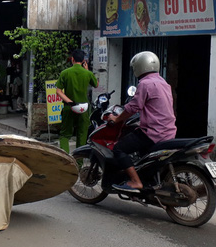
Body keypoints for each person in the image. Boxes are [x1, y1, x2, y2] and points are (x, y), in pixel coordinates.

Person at [107, 51, 177, 193]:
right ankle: (147, 178)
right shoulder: (163, 82)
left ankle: (135, 181)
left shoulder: (145, 84)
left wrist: (116, 118)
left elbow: (133, 107)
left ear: (140, 67)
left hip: (153, 133)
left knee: (119, 149)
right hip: (168, 131)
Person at [56, 49, 98, 153]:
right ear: (83, 60)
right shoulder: (87, 74)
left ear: (72, 59)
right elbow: (96, 84)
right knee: (82, 135)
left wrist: (70, 102)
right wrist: (87, 70)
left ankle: (65, 160)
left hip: (68, 107)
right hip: (84, 108)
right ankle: (79, 163)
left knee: (65, 135)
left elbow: (58, 91)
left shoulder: (65, 73)